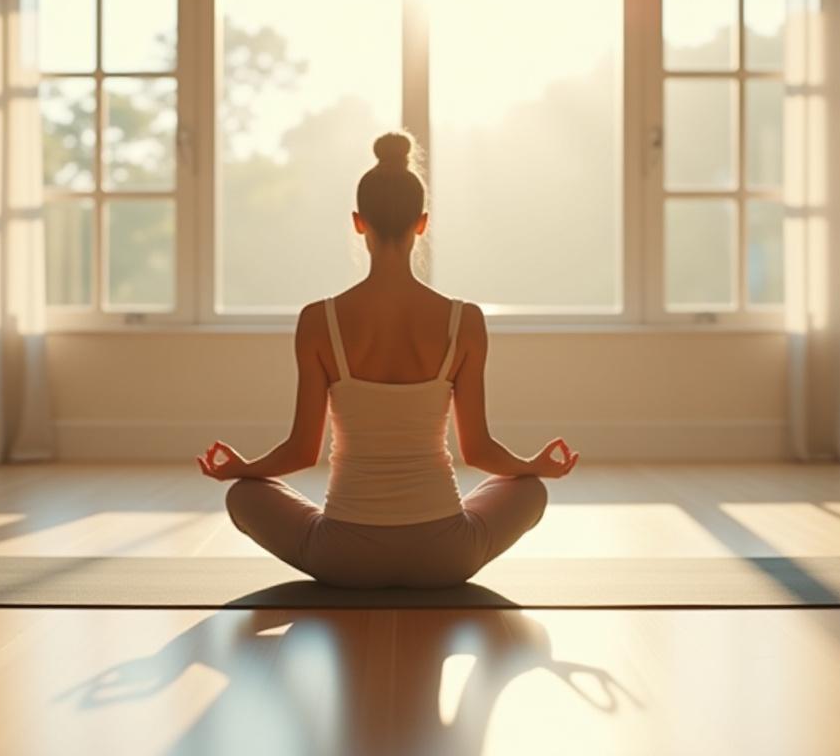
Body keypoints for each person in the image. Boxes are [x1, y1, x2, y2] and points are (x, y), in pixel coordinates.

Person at [196, 130, 579, 588]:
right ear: (423, 223)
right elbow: (478, 451)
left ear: (359, 223)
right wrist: (534, 464)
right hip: (446, 556)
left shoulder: (320, 320)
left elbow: (301, 450)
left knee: (245, 496)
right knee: (528, 490)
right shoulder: (465, 321)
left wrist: (243, 468)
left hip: (342, 558)